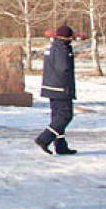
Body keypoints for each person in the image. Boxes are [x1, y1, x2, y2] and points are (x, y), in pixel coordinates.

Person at [35, 25, 78, 155]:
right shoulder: (62, 49)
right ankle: (44, 138)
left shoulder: (54, 46)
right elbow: (63, 67)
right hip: (61, 88)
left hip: (52, 87)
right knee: (65, 116)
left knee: (57, 117)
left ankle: (60, 145)